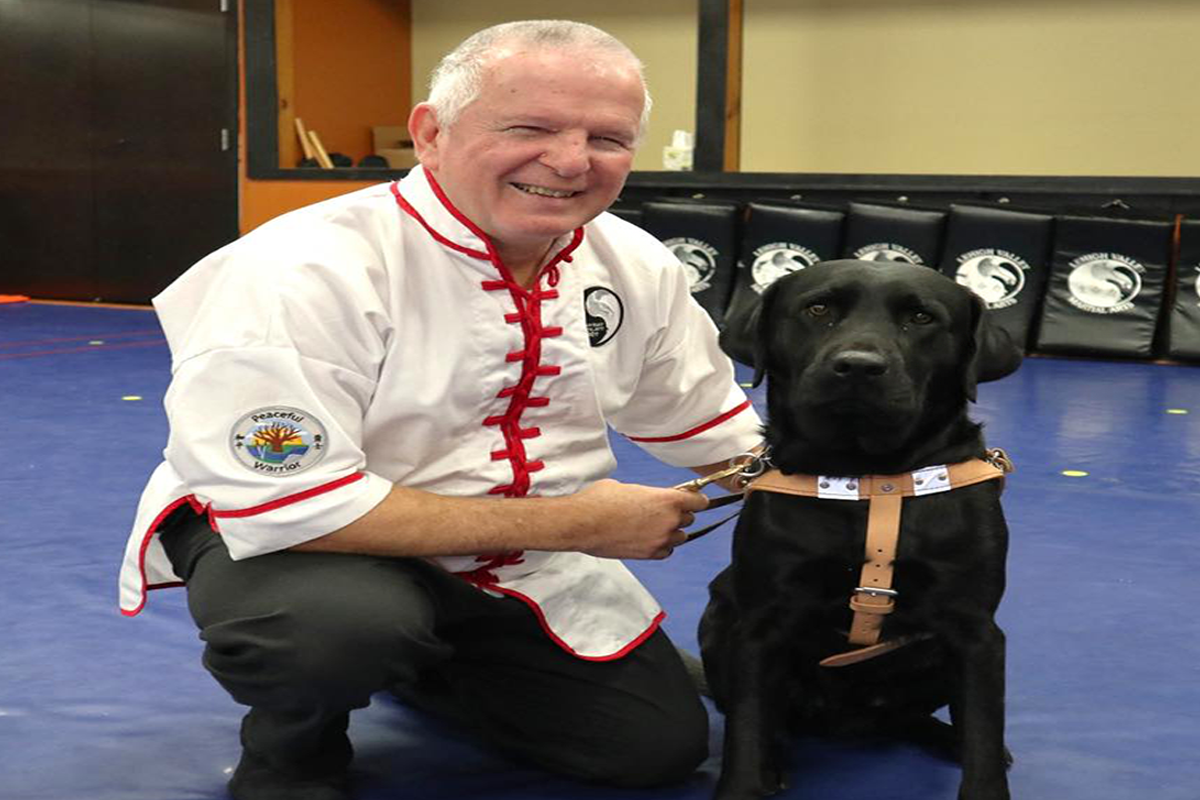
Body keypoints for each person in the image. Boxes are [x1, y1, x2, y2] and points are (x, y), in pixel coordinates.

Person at [119, 19, 762, 800]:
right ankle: (295, 747)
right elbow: (294, 505)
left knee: (649, 750)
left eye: (607, 138)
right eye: (529, 127)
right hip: (296, 541)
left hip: (513, 555)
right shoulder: (299, 270)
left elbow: (709, 424)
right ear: (431, 132)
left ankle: (432, 663)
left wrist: (884, 493)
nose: (569, 161)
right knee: (330, 636)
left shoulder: (633, 263)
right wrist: (578, 527)